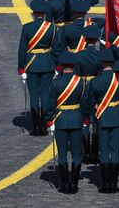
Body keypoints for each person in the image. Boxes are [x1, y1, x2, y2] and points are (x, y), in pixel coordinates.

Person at [45, 52, 89, 194]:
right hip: (76, 119)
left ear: (62, 66)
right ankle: (74, 184)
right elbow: (85, 103)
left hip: (61, 120)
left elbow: (50, 104)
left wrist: (49, 120)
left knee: (62, 155)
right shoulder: (81, 82)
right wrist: (84, 118)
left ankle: (65, 184)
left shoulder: (55, 82)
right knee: (77, 155)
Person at [17, 0, 57, 136]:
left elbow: (22, 49)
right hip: (47, 63)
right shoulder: (52, 27)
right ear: (45, 13)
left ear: (33, 13)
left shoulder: (27, 27)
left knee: (34, 96)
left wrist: (21, 67)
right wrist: (57, 66)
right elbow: (56, 48)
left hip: (31, 64)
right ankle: (45, 126)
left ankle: (36, 127)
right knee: (45, 95)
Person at [88, 48, 119, 193]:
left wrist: (97, 110)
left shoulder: (95, 81)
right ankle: (114, 184)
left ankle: (105, 185)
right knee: (115, 151)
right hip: (117, 115)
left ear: (101, 62)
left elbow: (90, 103)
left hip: (103, 117)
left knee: (104, 152)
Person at [74, 25, 103, 164]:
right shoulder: (101, 56)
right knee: (97, 121)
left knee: (84, 120)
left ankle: (85, 152)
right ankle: (95, 152)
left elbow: (77, 77)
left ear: (84, 39)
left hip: (84, 89)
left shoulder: (78, 56)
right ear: (97, 39)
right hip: (97, 89)